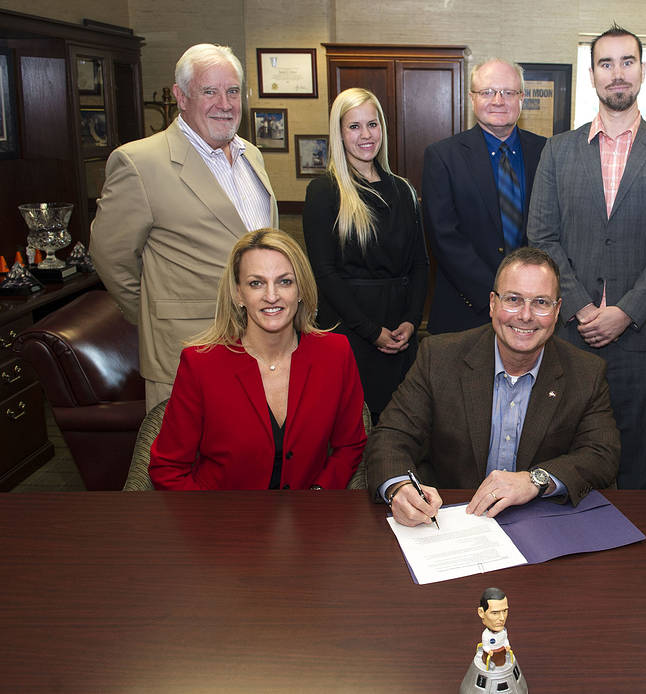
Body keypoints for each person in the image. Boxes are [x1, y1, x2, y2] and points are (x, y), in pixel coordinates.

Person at [527, 24, 646, 489]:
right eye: (606, 63)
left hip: (645, 336)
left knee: (641, 453)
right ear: (592, 74)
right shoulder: (558, 151)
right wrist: (583, 306)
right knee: (564, 447)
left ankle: (639, 556)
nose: (617, 73)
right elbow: (541, 235)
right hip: (570, 332)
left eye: (627, 62)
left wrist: (626, 311)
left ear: (642, 70)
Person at [366, 247, 620, 526]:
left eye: (540, 303)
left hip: (542, 523)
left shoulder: (585, 372)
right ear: (492, 304)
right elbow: (391, 435)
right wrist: (399, 488)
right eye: (513, 299)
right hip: (450, 520)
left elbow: (601, 454)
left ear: (557, 310)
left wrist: (535, 480)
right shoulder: (439, 357)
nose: (525, 315)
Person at [91, 44, 277, 411]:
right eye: (209, 91)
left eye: (233, 91)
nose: (224, 103)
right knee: (188, 464)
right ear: (181, 96)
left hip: (259, 346)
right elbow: (111, 258)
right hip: (187, 352)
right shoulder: (139, 162)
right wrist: (154, 314)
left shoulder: (251, 155)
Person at [149, 229, 367, 490]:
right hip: (221, 521)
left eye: (285, 281)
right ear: (238, 294)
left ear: (301, 290)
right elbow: (168, 468)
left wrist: (318, 496)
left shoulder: (335, 353)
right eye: (256, 283)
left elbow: (350, 446)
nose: (272, 296)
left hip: (309, 521)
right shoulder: (200, 364)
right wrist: (210, 525)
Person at [303, 88, 427, 420]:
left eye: (372, 124)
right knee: (353, 431)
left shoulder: (403, 190)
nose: (366, 135)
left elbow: (419, 264)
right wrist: (371, 331)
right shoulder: (324, 191)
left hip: (401, 333)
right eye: (354, 127)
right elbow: (324, 273)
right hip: (350, 333)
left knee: (403, 426)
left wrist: (411, 322)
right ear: (339, 134)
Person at [423, 59, 547, 334]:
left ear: (522, 99)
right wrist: (498, 297)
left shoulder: (546, 151)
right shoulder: (443, 156)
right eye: (488, 92)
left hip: (534, 312)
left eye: (509, 92)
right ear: (472, 98)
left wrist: (525, 299)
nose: (498, 100)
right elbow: (444, 237)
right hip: (467, 308)